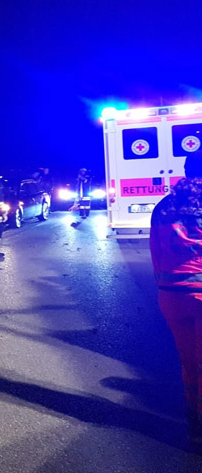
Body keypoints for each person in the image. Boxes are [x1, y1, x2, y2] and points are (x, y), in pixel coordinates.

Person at [150, 152, 202, 449]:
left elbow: (156, 250)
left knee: (189, 361)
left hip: (171, 294)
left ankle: (194, 425)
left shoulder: (164, 206)